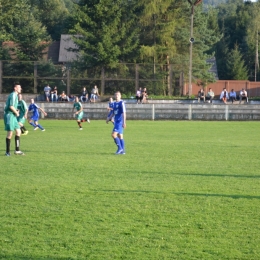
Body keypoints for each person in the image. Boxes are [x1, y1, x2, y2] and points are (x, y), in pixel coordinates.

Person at [4, 83, 25, 156]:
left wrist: (16, 111)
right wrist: (16, 112)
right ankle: (7, 152)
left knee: (18, 131)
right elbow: (10, 106)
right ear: (15, 88)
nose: (20, 88)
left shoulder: (15, 95)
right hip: (9, 115)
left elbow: (13, 107)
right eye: (19, 87)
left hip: (13, 115)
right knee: (10, 133)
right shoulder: (13, 95)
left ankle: (17, 150)